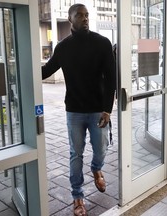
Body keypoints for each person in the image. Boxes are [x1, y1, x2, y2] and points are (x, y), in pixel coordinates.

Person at [42, 3, 116, 216]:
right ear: (70, 19)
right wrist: (21, 69)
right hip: (74, 110)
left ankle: (96, 168)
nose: (85, 19)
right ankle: (77, 197)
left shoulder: (102, 43)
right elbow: (47, 70)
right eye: (80, 15)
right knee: (76, 154)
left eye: (87, 15)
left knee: (101, 149)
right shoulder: (63, 47)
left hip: (98, 111)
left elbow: (111, 78)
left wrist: (107, 109)